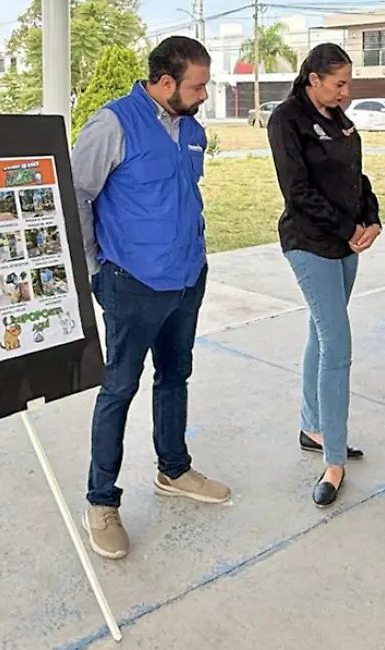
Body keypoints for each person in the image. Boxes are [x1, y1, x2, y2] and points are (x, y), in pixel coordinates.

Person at [71, 36, 230, 561]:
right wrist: (97, 268)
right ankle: (101, 501)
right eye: (197, 85)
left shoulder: (191, 129)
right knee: (118, 389)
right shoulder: (112, 125)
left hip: (186, 280)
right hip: (131, 283)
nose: (204, 93)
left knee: (175, 375)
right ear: (165, 83)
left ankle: (174, 468)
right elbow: (76, 195)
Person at [266, 43, 382, 509]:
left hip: (347, 243)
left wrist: (371, 218)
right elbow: (297, 191)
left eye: (348, 83)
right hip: (310, 242)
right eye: (339, 83)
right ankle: (334, 460)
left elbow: (357, 175)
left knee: (321, 332)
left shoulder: (338, 116)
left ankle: (312, 426)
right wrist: (347, 227)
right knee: (338, 344)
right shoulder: (287, 119)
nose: (346, 91)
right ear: (313, 77)